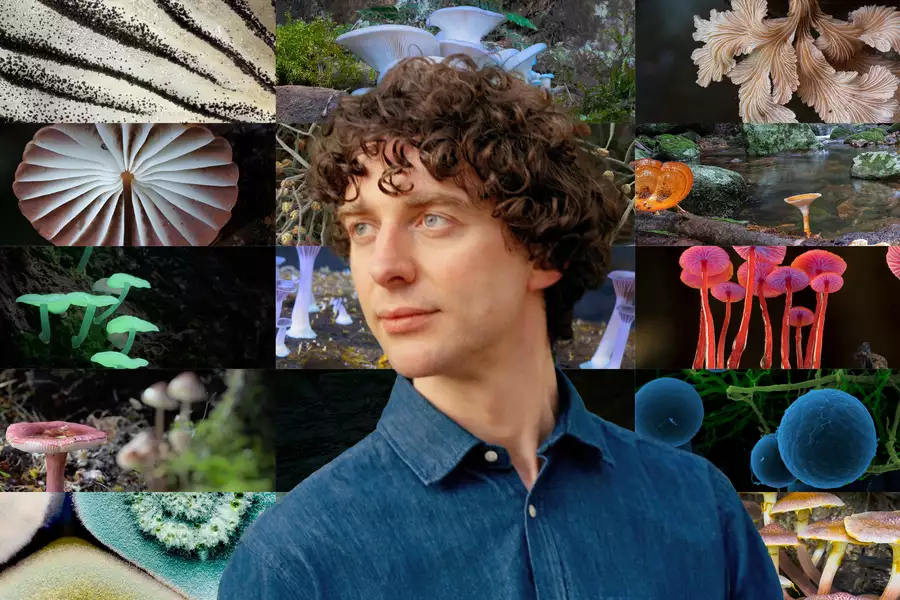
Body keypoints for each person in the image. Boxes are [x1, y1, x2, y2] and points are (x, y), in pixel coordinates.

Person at [219, 56, 780, 599]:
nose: (383, 266)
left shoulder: (701, 506)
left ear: (541, 249)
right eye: (362, 227)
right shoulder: (291, 563)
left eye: (432, 219)